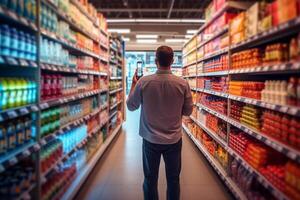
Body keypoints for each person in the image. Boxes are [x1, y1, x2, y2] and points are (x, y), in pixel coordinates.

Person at [126, 46, 193, 200]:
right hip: (174, 140)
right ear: (173, 61)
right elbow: (188, 111)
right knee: (173, 180)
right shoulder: (182, 84)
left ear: (156, 61)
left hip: (150, 140)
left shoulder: (143, 82)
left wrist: (133, 85)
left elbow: (131, 106)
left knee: (150, 179)